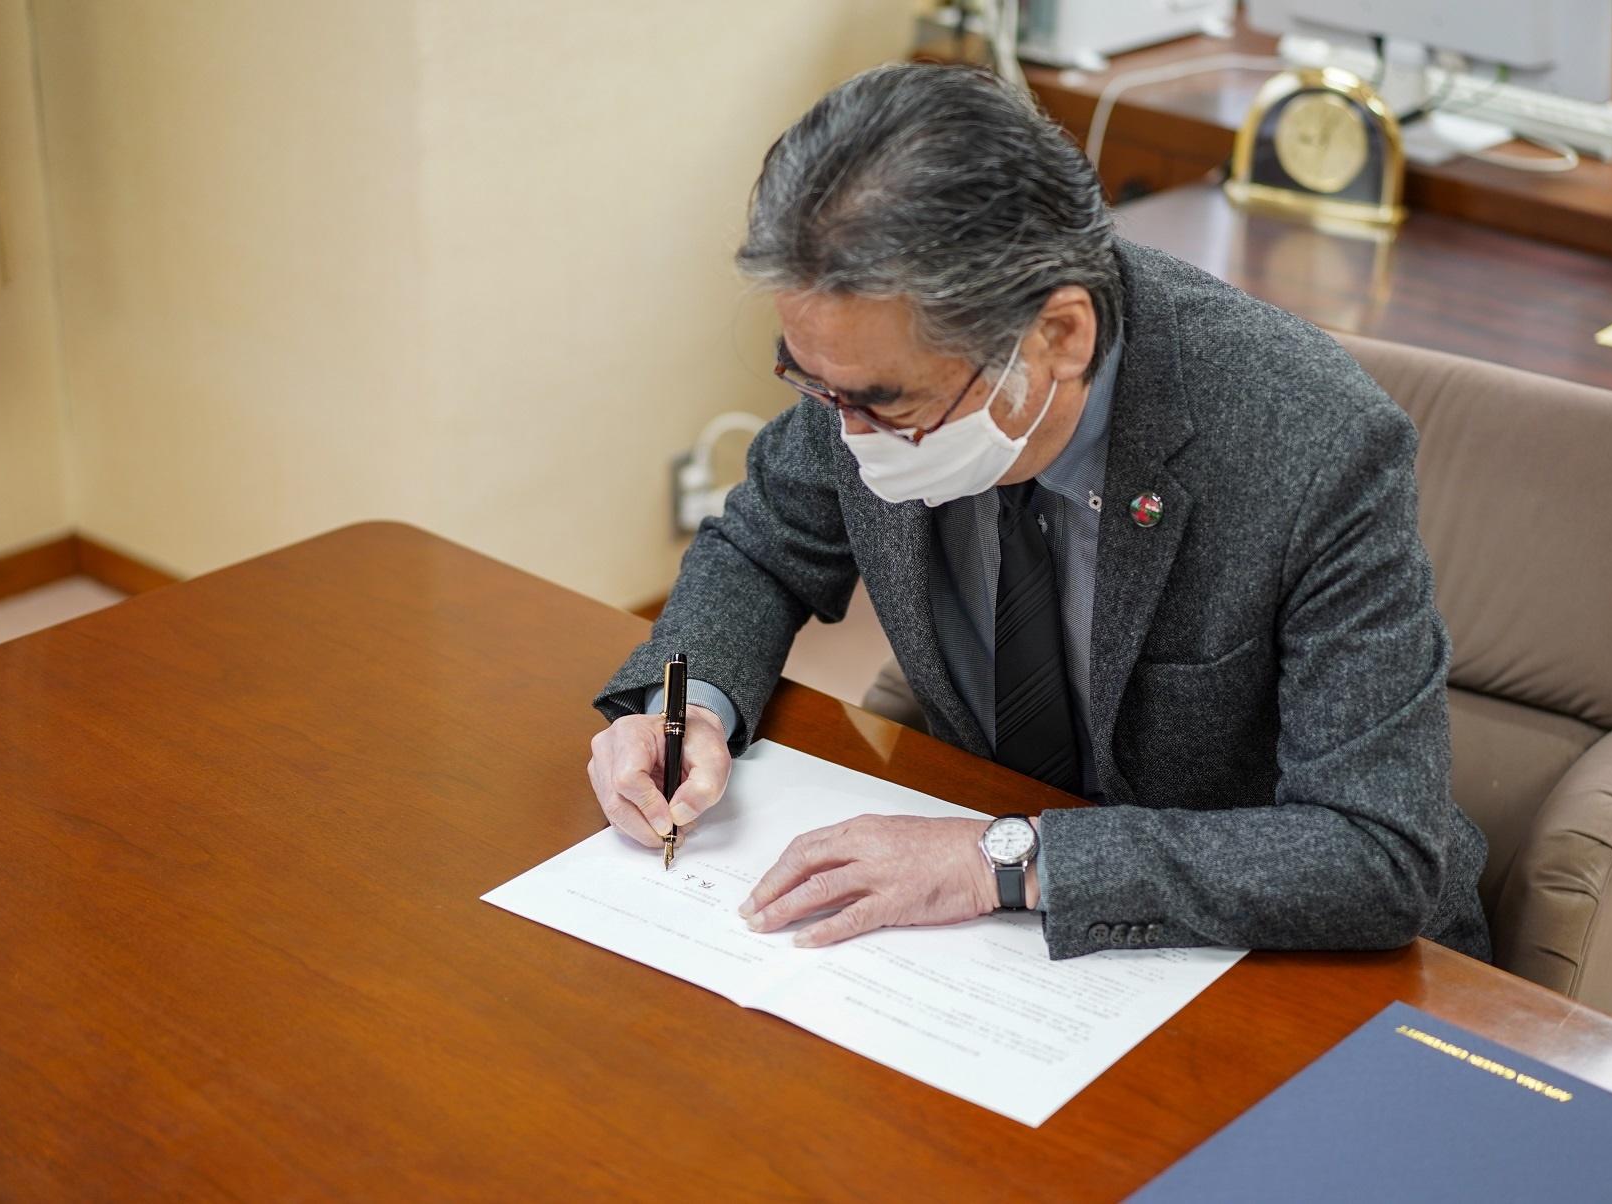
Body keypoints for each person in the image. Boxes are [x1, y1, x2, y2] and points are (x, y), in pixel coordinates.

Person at [586, 62, 1490, 962]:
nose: (847, 435)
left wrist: (1004, 860)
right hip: (981, 931)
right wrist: (687, 708)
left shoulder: (1313, 443)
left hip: (1260, 954)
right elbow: (759, 547)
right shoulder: (864, 369)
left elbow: (1374, 852)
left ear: (1060, 334)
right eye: (815, 384)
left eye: (886, 404)